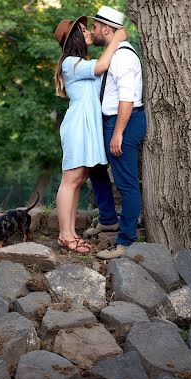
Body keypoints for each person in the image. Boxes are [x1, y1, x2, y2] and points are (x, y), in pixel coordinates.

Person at [54, 15, 127, 253]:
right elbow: (101, 66)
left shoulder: (81, 61)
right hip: (77, 125)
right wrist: (117, 37)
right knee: (70, 180)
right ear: (75, 37)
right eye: (83, 30)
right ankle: (65, 235)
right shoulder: (71, 63)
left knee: (78, 179)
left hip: (88, 126)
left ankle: (71, 233)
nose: (88, 33)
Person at [85, 6, 146, 259]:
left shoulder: (123, 57)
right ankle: (109, 218)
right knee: (95, 167)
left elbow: (127, 98)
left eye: (95, 27)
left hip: (125, 122)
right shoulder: (113, 54)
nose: (92, 31)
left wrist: (118, 132)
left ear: (106, 29)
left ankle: (126, 242)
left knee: (126, 182)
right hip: (109, 121)